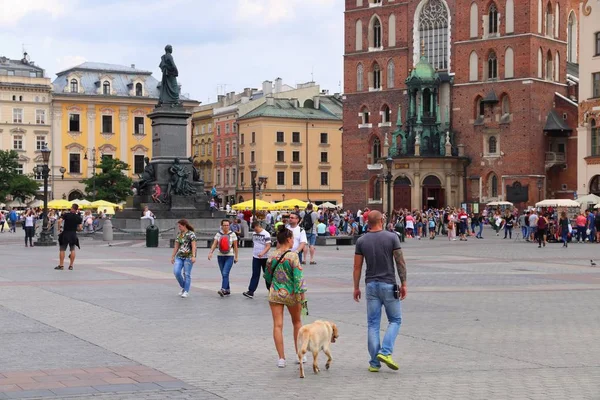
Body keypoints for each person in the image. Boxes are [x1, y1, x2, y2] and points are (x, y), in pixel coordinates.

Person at [353, 210, 407, 372]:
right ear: (381, 220)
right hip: (389, 284)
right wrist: (404, 283)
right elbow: (400, 262)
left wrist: (356, 287)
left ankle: (374, 363)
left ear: (368, 222)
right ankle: (385, 351)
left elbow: (357, 267)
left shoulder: (361, 241)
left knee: (373, 324)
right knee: (395, 320)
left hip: (371, 285)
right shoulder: (392, 237)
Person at [264, 226, 306, 368]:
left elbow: (267, 275)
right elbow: (298, 277)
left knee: (277, 325)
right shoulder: (293, 256)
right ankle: (299, 353)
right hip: (292, 294)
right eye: (293, 238)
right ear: (288, 240)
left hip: (275, 293)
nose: (293, 240)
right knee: (297, 323)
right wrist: (302, 294)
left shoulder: (271, 255)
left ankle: (281, 358)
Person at [208, 219, 239, 297]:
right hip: (220, 256)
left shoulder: (233, 234)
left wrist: (236, 257)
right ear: (221, 226)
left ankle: (223, 289)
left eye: (227, 225)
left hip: (229, 256)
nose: (226, 227)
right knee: (224, 274)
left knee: (225, 273)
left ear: (229, 226)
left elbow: (235, 246)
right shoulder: (218, 234)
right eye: (224, 225)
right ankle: (227, 289)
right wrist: (210, 252)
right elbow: (214, 244)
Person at [243, 221, 272, 299]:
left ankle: (271, 290)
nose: (255, 231)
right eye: (254, 229)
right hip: (255, 257)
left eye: (256, 229)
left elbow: (268, 245)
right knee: (255, 274)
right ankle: (251, 291)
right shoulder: (254, 234)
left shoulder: (266, 234)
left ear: (259, 226)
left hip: (265, 257)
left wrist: (262, 253)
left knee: (267, 275)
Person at [171, 219, 197, 298]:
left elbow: (194, 246)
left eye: (180, 226)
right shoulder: (179, 235)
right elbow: (176, 246)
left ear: (184, 225)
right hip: (179, 256)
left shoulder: (191, 234)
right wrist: (173, 256)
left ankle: (186, 291)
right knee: (176, 272)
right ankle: (184, 286)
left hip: (188, 257)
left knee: (186, 274)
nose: (179, 227)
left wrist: (193, 256)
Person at [55, 204, 83, 271]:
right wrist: (77, 229)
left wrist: (59, 228)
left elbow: (59, 221)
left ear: (72, 208)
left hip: (65, 234)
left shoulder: (66, 215)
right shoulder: (78, 217)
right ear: (76, 209)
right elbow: (80, 228)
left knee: (62, 249)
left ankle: (61, 265)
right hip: (73, 234)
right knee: (72, 249)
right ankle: (71, 265)